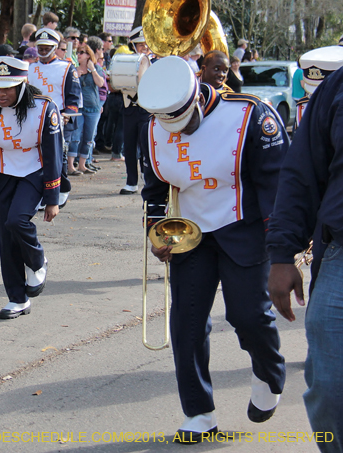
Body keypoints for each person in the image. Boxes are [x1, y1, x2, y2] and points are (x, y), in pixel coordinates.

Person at [138, 56, 287, 441]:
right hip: (191, 234)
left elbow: (275, 185)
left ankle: (268, 374)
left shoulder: (250, 115)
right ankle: (199, 412)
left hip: (245, 226)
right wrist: (156, 229)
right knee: (186, 324)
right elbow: (155, 184)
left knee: (248, 317)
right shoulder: (152, 126)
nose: (175, 129)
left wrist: (283, 246)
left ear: (197, 97)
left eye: (181, 120)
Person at [266, 46, 343, 450]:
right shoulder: (336, 89)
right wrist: (282, 255)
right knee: (330, 388)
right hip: (340, 257)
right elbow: (301, 175)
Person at [0, 56, 62, 319]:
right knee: (6, 239)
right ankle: (17, 298)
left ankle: (38, 261)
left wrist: (53, 198)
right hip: (4, 174)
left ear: (22, 85)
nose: (1, 94)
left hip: (34, 172)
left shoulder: (45, 108)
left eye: (8, 88)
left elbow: (53, 154)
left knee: (16, 221)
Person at [27, 27, 79, 207]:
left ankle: (62, 188)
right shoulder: (30, 68)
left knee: (57, 158)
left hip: (57, 119)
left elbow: (73, 98)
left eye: (46, 47)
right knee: (37, 158)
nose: (42, 51)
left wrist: (68, 114)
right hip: (33, 119)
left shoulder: (66, 68)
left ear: (54, 46)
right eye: (40, 47)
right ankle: (40, 193)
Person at [119, 26, 152, 195]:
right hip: (130, 108)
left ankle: (149, 180)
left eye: (146, 44)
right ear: (133, 45)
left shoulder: (156, 62)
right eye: (140, 45)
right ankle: (131, 182)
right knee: (130, 148)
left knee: (147, 147)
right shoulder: (126, 61)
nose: (144, 47)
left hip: (147, 110)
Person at [68, 43, 105, 175]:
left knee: (89, 137)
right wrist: (75, 75)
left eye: (82, 52)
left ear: (89, 55)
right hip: (78, 107)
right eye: (78, 52)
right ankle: (71, 166)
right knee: (75, 136)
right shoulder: (73, 69)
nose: (79, 55)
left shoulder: (96, 68)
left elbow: (101, 83)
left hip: (93, 107)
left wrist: (93, 70)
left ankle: (83, 164)